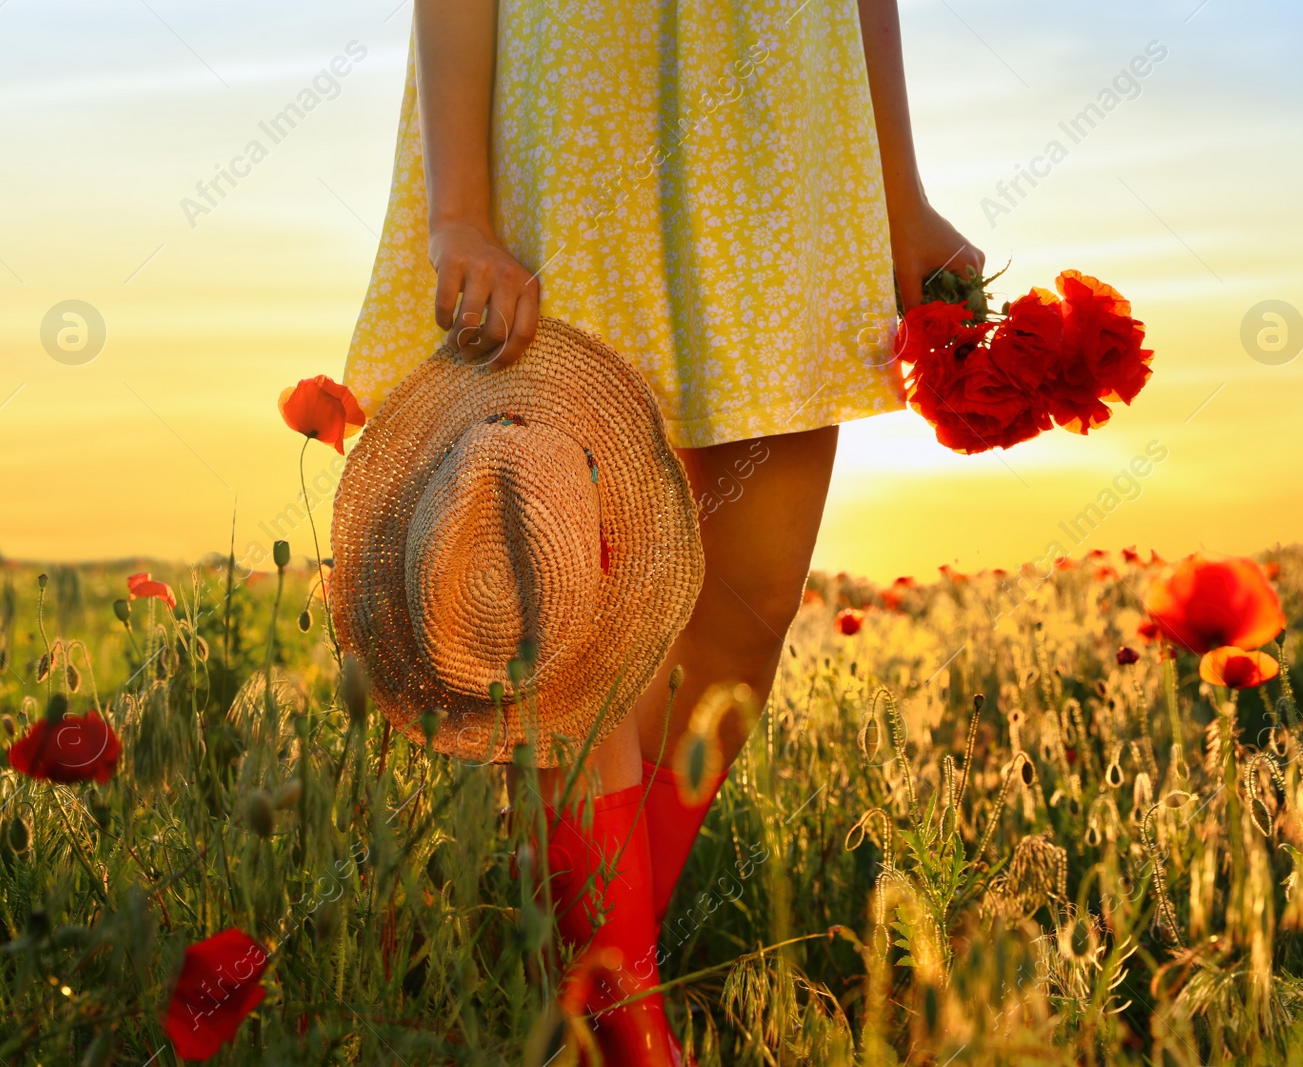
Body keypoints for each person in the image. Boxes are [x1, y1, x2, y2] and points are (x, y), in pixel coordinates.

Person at [344, 1, 983, 1061]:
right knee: (588, 635)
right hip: (589, 79)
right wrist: (458, 207)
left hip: (788, 100)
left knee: (752, 601)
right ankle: (624, 1030)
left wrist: (900, 196)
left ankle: (561, 976)